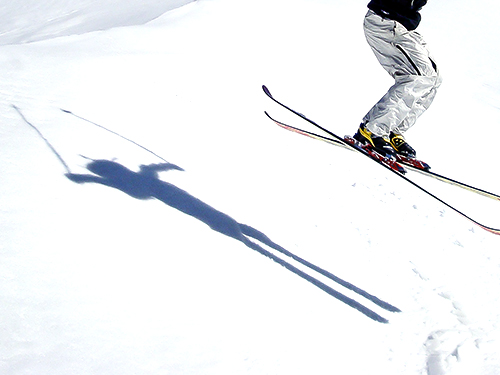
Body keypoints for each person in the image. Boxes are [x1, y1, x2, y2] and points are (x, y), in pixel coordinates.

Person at [354, 0, 442, 158]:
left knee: (433, 80)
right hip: (385, 22)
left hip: (401, 27)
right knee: (418, 77)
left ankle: (392, 129)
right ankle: (373, 130)